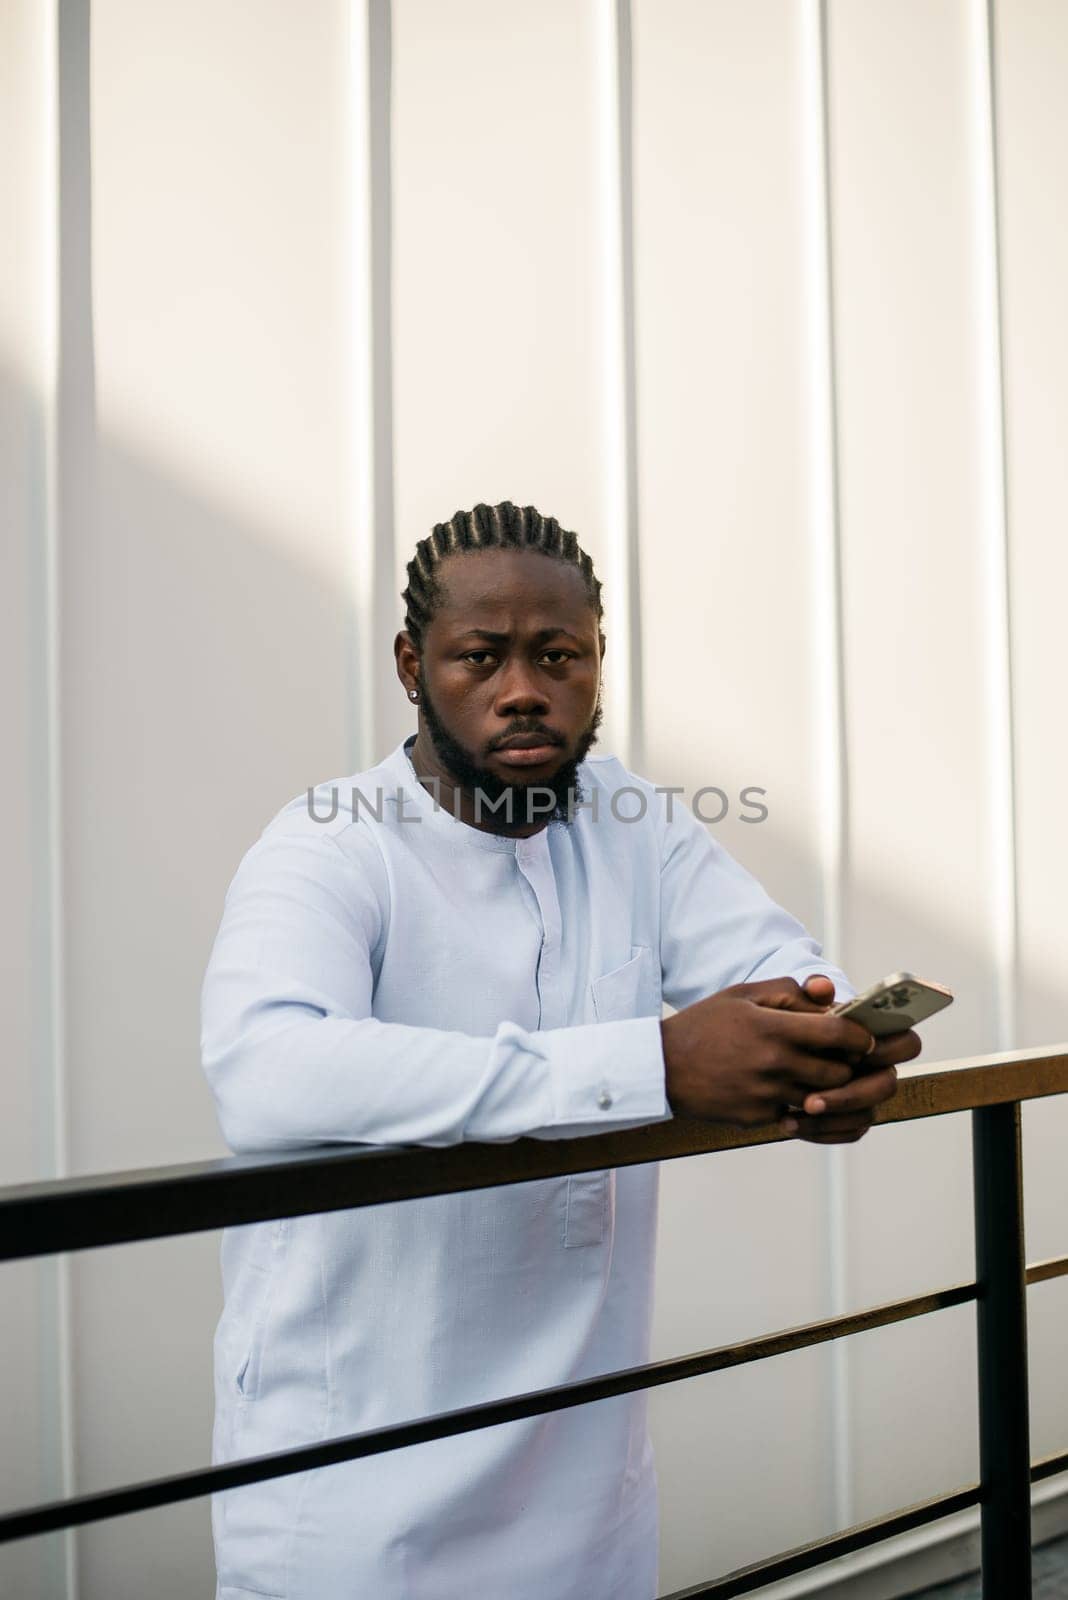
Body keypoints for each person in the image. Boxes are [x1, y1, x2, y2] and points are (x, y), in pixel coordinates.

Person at [200, 501, 918, 1600]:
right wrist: (651, 1065)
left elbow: (778, 964)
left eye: (557, 655)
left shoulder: (632, 819)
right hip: (353, 1493)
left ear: (598, 662)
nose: (523, 688)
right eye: (480, 657)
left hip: (588, 1488)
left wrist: (823, 1048)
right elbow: (266, 1072)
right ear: (412, 664)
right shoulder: (327, 840)